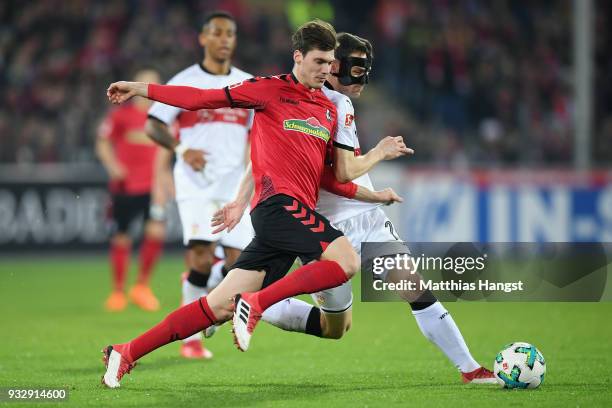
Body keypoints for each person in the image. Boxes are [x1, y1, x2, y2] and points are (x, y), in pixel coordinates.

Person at [101, 19, 411, 388]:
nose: (325, 71)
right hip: (277, 206)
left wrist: (374, 196)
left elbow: (330, 178)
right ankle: (258, 305)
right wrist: (140, 89)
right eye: (318, 62)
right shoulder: (268, 90)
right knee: (346, 261)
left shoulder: (329, 110)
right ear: (298, 57)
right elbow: (200, 98)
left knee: (216, 307)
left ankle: (127, 351)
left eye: (330, 64)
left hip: (292, 215)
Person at [216, 33, 496, 384]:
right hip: (325, 230)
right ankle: (249, 300)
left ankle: (470, 369)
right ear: (334, 66)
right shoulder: (311, 102)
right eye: (355, 68)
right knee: (335, 328)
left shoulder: (337, 105)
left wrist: (242, 199)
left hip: (367, 220)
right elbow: (289, 163)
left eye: (366, 69)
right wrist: (380, 152)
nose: (362, 79)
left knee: (416, 289)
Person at [145, 11, 254, 359]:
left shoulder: (247, 85)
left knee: (238, 264)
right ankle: (190, 340)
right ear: (203, 39)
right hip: (196, 183)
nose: (224, 39)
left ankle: (203, 289)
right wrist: (181, 148)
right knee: (202, 255)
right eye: (217, 33)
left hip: (235, 184)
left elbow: (259, 132)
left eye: (230, 34)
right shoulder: (185, 80)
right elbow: (153, 125)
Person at [96, 69, 170, 312]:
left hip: (152, 187)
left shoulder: (163, 117)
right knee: (122, 237)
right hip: (125, 186)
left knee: (156, 232)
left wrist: (165, 180)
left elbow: (167, 149)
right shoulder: (121, 115)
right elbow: (102, 141)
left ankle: (141, 287)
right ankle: (118, 291)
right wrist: (113, 166)